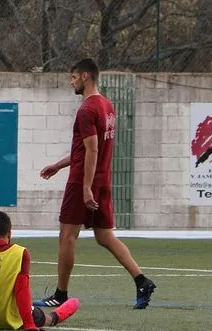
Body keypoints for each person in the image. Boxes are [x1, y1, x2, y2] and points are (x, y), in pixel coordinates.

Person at [37, 58, 155, 309]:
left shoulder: (86, 110)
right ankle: (142, 280)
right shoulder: (107, 106)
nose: (71, 82)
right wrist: (58, 165)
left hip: (84, 181)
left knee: (67, 236)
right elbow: (87, 150)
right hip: (102, 179)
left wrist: (85, 187)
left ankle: (60, 294)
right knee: (104, 236)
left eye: (73, 78)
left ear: (86, 77)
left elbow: (91, 150)